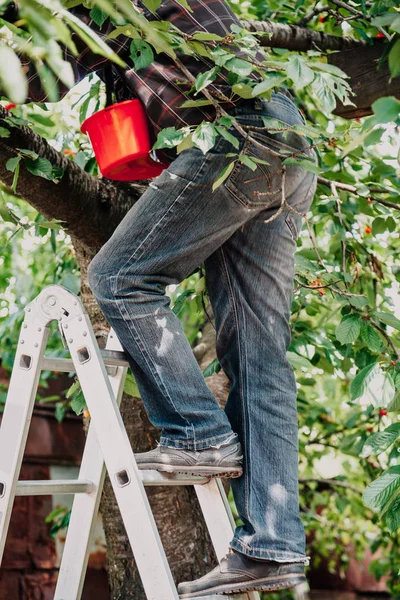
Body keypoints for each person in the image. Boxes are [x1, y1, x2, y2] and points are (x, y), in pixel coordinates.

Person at [2, 1, 317, 596]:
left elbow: (44, 71)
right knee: (257, 353)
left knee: (120, 278)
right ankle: (273, 544)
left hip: (239, 139)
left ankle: (199, 436)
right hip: (289, 141)